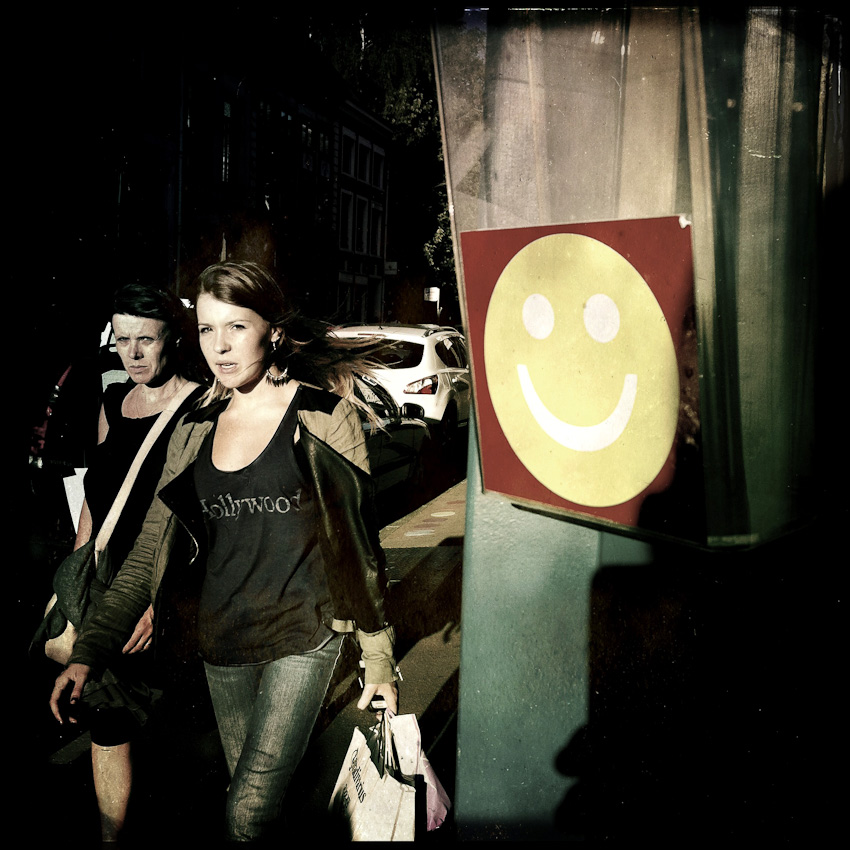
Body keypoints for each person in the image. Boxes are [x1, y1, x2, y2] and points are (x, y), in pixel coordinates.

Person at [51, 261, 399, 843]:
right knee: (255, 809)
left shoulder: (321, 415)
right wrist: (90, 651)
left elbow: (358, 547)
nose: (219, 346)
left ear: (273, 332)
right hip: (223, 643)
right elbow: (147, 555)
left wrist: (379, 657)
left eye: (236, 327)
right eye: (207, 330)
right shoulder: (195, 429)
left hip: (303, 635)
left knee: (246, 813)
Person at [54, 283, 204, 843]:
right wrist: (78, 577)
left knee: (165, 725)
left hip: (161, 588)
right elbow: (96, 499)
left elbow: (196, 523)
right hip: (106, 585)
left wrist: (157, 603)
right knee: (107, 720)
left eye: (147, 340)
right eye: (122, 340)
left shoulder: (200, 408)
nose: (133, 354)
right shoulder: (114, 400)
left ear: (173, 339)